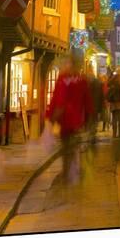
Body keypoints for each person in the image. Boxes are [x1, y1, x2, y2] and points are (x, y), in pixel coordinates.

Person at [46, 48, 93, 184]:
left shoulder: (63, 79)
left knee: (67, 147)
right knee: (71, 147)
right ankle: (72, 171)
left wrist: (50, 117)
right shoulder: (81, 80)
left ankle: (68, 172)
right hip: (75, 121)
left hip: (66, 120)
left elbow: (57, 99)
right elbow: (87, 101)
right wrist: (89, 119)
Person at [86, 64, 103, 142]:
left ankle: (91, 134)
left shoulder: (86, 82)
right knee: (94, 121)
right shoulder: (97, 82)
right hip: (95, 105)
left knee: (90, 121)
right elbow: (101, 95)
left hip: (89, 105)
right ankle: (92, 134)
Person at [107, 69, 120, 138]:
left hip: (113, 102)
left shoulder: (113, 79)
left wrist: (113, 77)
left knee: (114, 118)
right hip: (119, 102)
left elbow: (108, 84)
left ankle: (114, 134)